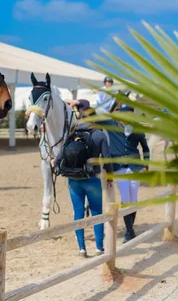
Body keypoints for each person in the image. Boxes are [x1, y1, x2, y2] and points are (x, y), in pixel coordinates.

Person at [53, 99, 113, 257]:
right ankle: (99, 247)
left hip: (73, 180)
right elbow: (107, 158)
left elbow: (59, 158)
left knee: (78, 213)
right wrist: (110, 178)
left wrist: (57, 166)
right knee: (97, 213)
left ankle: (81, 248)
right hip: (92, 178)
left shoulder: (72, 132)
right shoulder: (99, 134)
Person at [106, 104, 150, 242]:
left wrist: (146, 166)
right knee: (125, 198)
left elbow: (145, 148)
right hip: (119, 168)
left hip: (135, 167)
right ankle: (129, 231)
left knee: (133, 199)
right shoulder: (112, 124)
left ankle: (130, 229)